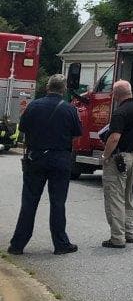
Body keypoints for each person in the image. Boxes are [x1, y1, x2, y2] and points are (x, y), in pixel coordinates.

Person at [8, 73, 82, 256]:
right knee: (58, 203)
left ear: (47, 87)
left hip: (36, 158)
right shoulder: (70, 109)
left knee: (29, 202)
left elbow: (23, 128)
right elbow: (77, 133)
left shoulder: (34, 106)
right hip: (60, 160)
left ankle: (18, 244)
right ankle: (60, 244)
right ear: (64, 90)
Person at [101, 80, 133, 249]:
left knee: (115, 198)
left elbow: (114, 137)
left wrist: (106, 155)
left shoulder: (120, 113)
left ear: (117, 94)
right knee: (127, 197)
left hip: (119, 159)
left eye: (113, 93)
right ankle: (129, 232)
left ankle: (117, 237)